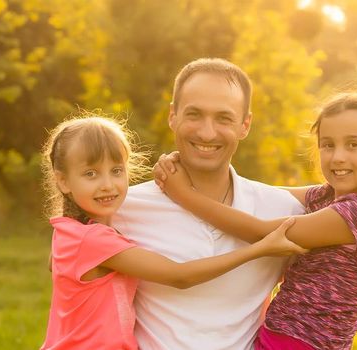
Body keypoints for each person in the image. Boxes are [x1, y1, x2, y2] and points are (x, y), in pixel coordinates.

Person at [154, 91, 357, 349]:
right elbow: (263, 193)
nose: (338, 156)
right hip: (281, 338)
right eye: (328, 145)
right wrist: (202, 172)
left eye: (353, 144)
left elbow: (262, 232)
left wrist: (183, 194)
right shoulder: (328, 196)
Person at [39, 115, 305, 350]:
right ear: (63, 181)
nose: (107, 185)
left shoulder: (72, 231)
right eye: (91, 174)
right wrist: (261, 248)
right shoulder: (92, 240)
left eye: (117, 171)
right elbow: (179, 276)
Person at [110, 58, 307, 349]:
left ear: (245, 125)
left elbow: (352, 203)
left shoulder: (283, 210)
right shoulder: (123, 209)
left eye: (224, 118)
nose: (206, 132)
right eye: (194, 115)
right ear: (172, 116)